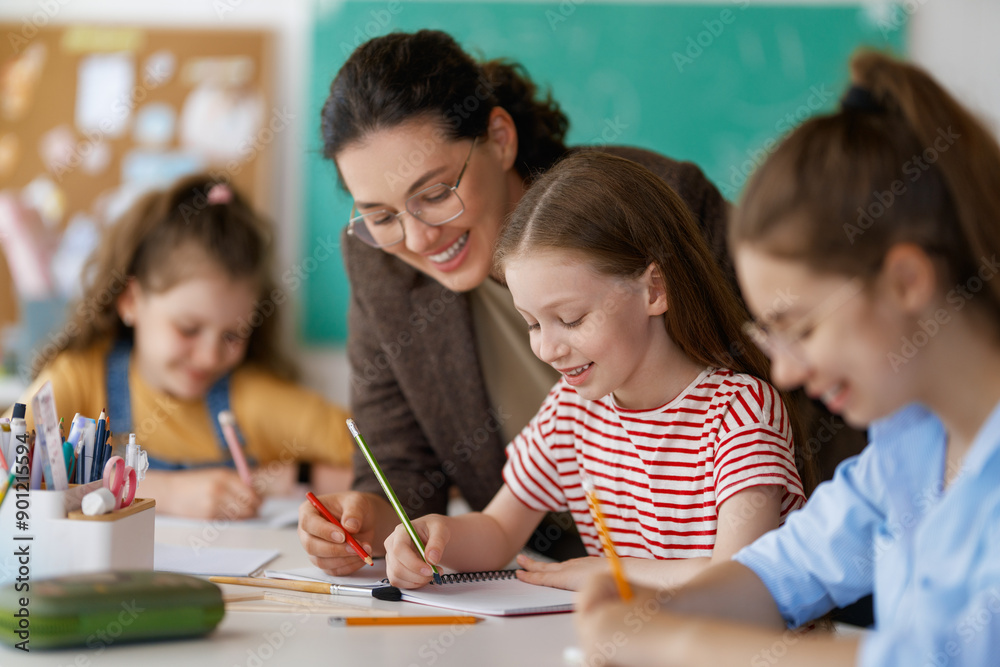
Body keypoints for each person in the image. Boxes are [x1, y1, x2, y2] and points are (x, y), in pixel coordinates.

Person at [298, 29, 857, 574]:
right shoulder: (566, 407)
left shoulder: (656, 207)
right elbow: (409, 471)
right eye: (380, 216)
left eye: (435, 192)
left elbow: (812, 372)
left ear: (499, 138)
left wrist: (611, 573)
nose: (418, 238)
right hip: (566, 588)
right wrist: (376, 520)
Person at [575, 51, 1000, 666]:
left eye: (800, 327)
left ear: (906, 281)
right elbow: (786, 570)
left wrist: (675, 641)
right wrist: (660, 610)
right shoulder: (910, 440)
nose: (786, 373)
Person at [383, 152, 806, 591]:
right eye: (532, 324)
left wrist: (608, 572)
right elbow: (498, 531)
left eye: (571, 319)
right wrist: (432, 536)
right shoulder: (571, 411)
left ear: (653, 290)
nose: (546, 349)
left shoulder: (739, 411)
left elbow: (738, 580)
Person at [9, 175, 355, 519]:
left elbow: (382, 460)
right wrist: (164, 492)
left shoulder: (253, 400)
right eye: (188, 329)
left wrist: (279, 477)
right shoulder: (80, 378)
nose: (209, 357)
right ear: (131, 300)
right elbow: (9, 466)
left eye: (233, 335)